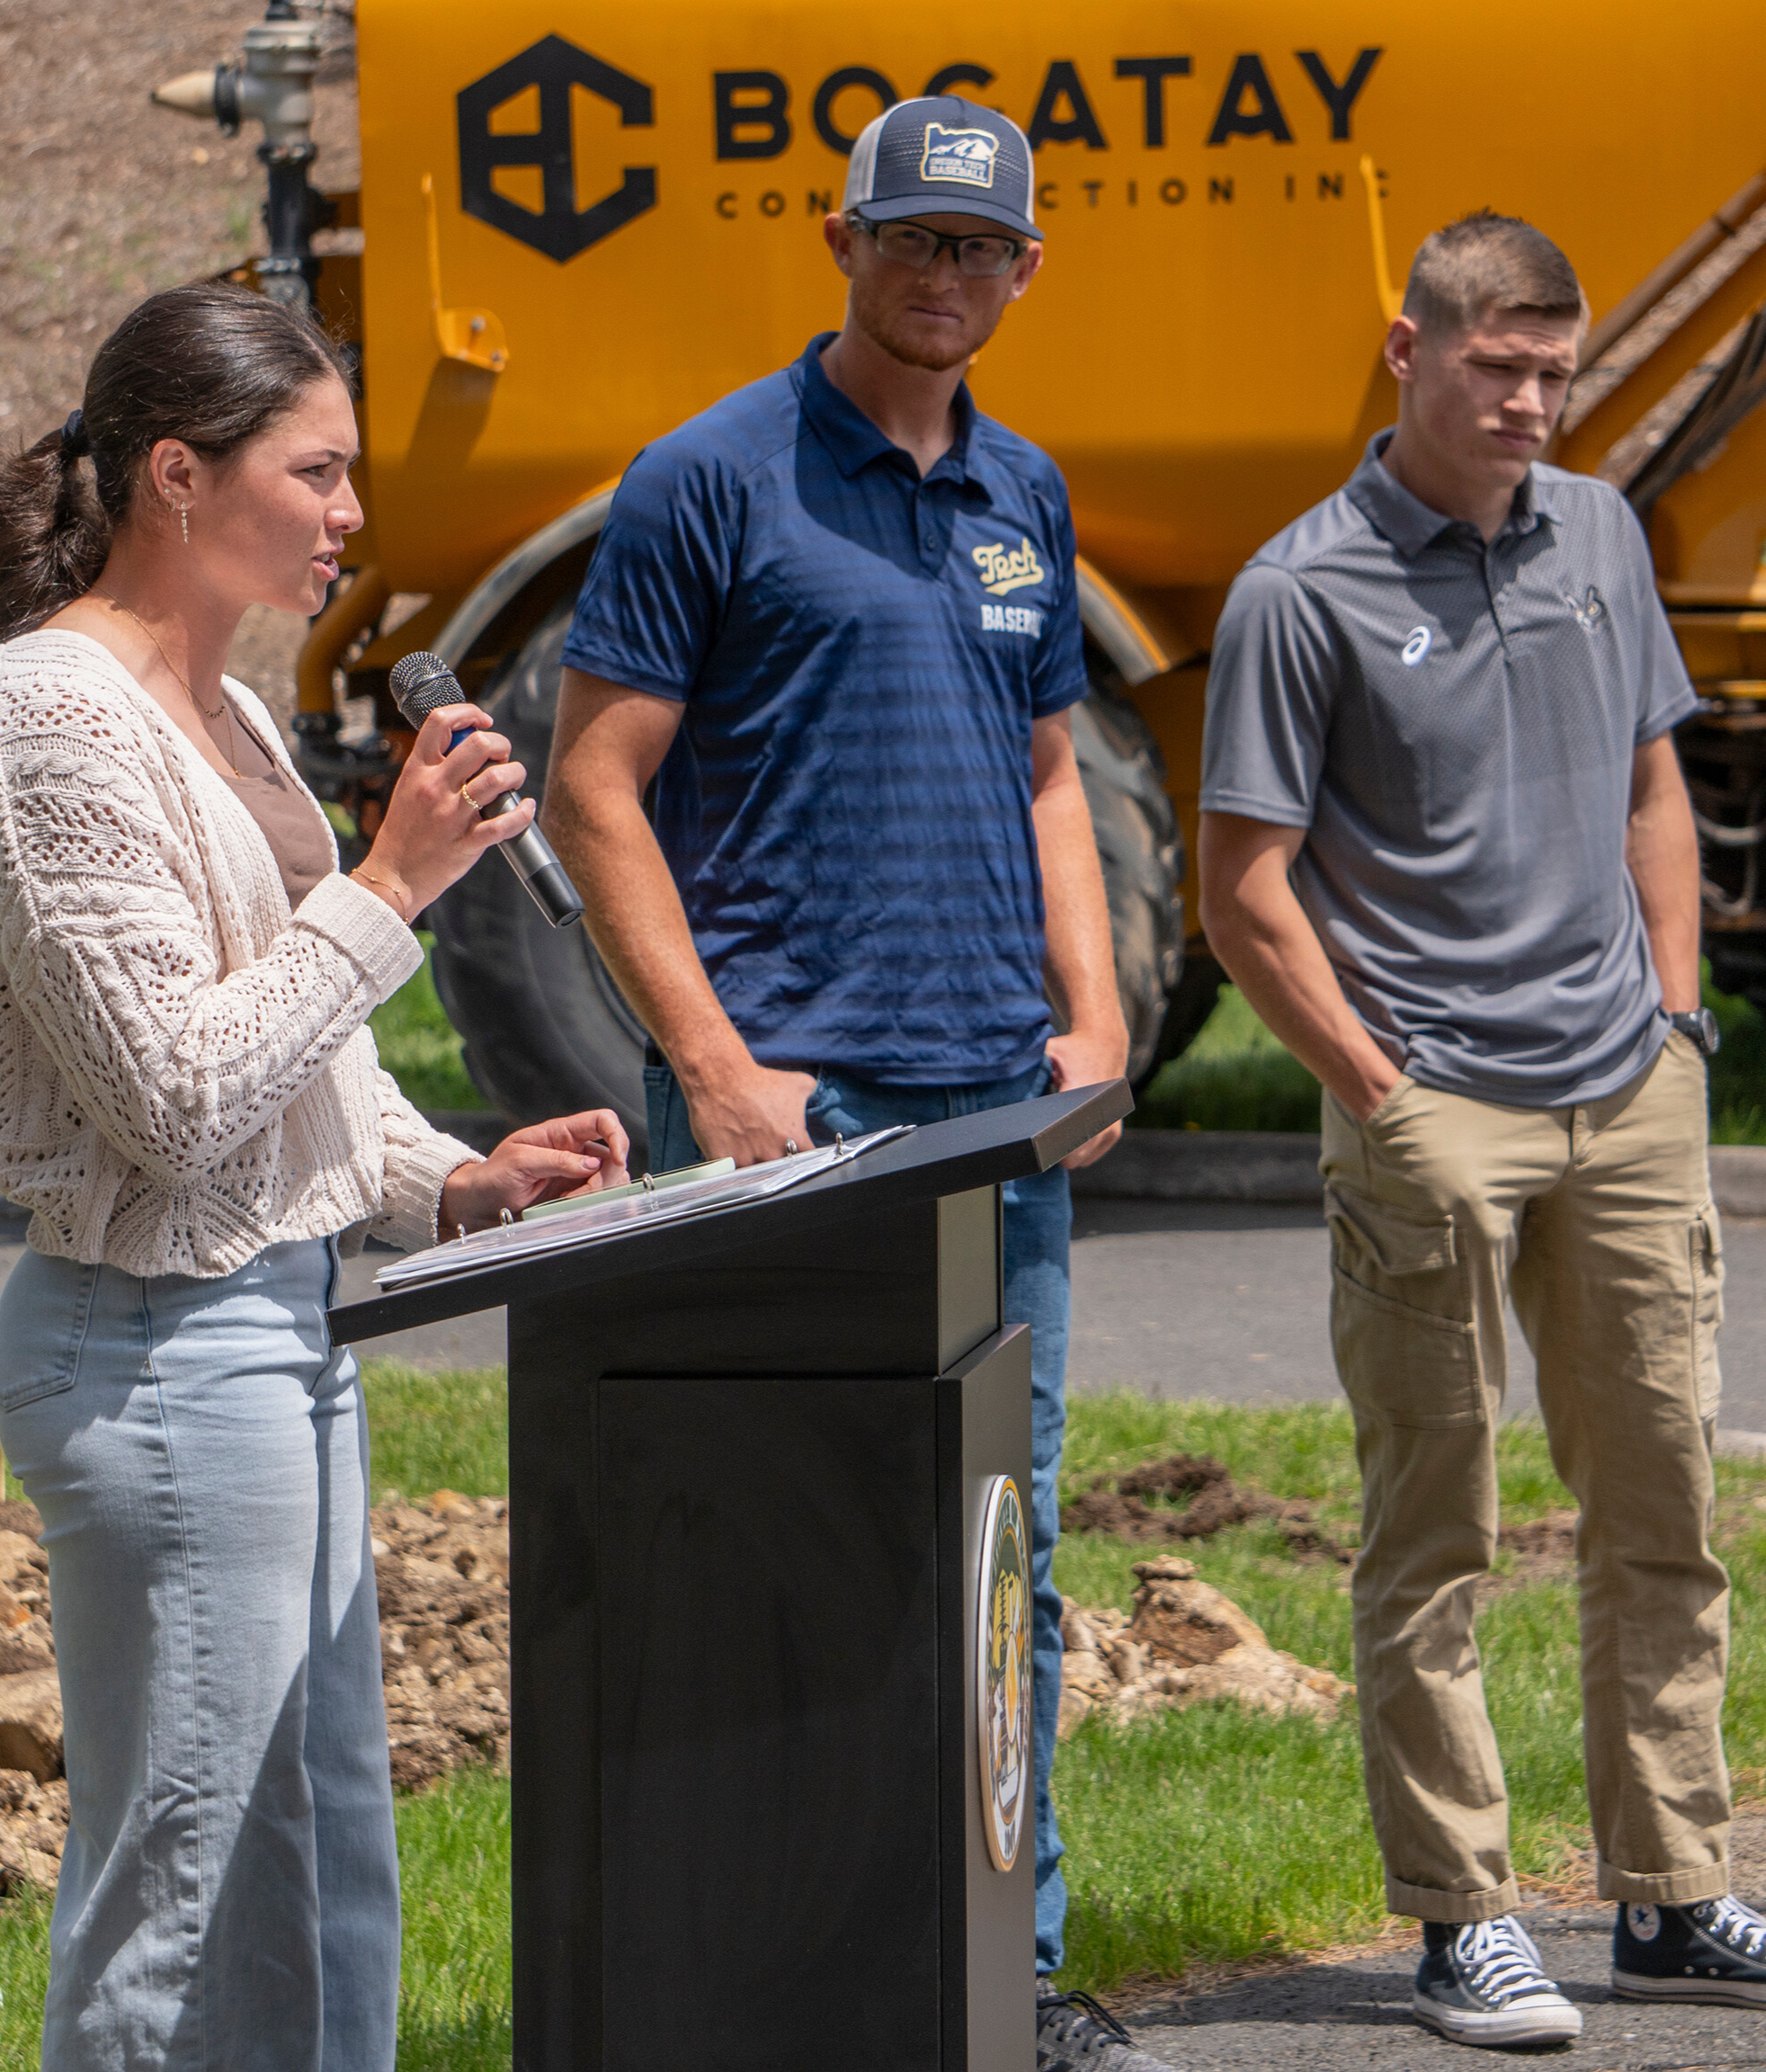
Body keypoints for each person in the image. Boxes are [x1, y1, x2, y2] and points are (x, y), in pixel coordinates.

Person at [0, 281, 628, 2072]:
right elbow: (169, 1098)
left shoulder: (208, 706)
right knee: (183, 1901)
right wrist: (387, 885)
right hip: (156, 1363)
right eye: (314, 473)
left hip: (270, 1341)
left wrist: (445, 1181)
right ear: (177, 473)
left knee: (314, 1881)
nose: (350, 517)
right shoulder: (60, 725)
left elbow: (297, 1046)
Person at [544, 96, 1168, 2072]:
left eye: (979, 250)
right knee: (760, 1559)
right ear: (842, 239)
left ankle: (1007, 1977)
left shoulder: (1023, 495)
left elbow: (1053, 773)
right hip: (795, 1126)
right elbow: (590, 785)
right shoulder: (707, 480)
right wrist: (717, 1075)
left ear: (1024, 270)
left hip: (1001, 1118)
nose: (944, 275)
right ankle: (753, 1986)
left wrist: (1093, 1022)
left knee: (1005, 1567)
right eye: (912, 240)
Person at [1200, 210, 1755, 2050]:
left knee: (1660, 1508)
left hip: (1623, 1092)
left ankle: (1670, 1893)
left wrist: (1672, 1017)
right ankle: (1458, 1921)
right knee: (1430, 1530)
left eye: (1550, 369)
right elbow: (1241, 890)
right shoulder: (1301, 589)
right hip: (1433, 1105)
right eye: (1491, 366)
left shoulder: (1598, 530)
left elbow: (1646, 777)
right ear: (1404, 351)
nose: (1525, 402)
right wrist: (1378, 1093)